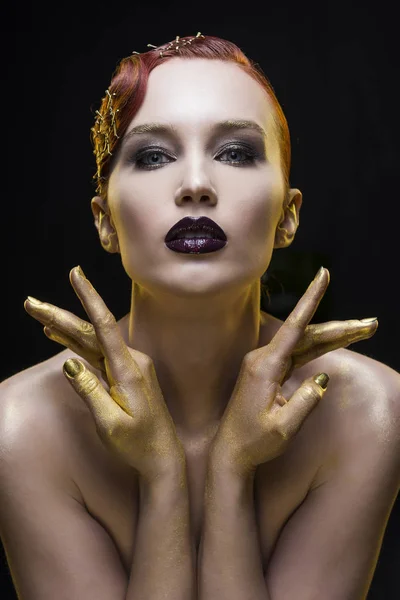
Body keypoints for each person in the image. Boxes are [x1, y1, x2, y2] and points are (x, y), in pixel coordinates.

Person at [0, 32, 399, 600]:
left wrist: (230, 470)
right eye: (153, 156)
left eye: (235, 153)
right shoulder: (20, 427)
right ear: (105, 220)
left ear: (288, 216)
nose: (194, 186)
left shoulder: (369, 411)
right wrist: (163, 475)